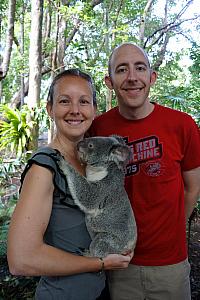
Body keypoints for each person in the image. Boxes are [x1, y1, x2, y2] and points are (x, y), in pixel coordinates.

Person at [7, 68, 133, 300]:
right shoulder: (45, 167)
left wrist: (121, 241)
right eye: (64, 101)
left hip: (98, 291)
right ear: (50, 108)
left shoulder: (92, 163)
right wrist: (100, 263)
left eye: (83, 101)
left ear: (94, 110)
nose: (75, 110)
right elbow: (21, 260)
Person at [89, 43, 200, 300]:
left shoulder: (181, 125)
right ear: (109, 81)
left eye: (140, 68)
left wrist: (171, 230)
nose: (132, 77)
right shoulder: (98, 129)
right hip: (119, 262)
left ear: (152, 77)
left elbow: (193, 187)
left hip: (170, 264)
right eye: (121, 69)